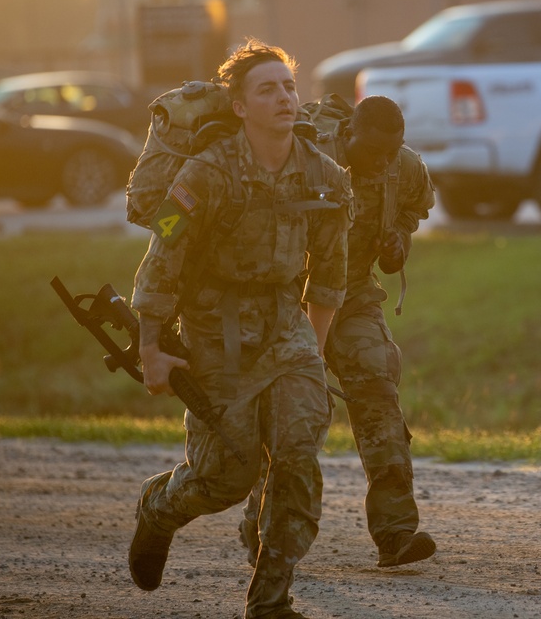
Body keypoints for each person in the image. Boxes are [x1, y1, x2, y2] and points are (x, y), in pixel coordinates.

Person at [128, 40, 353, 619]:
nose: (284, 98)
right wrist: (150, 347)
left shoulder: (325, 175)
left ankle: (270, 600)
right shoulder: (202, 174)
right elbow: (162, 257)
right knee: (226, 477)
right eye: (267, 89)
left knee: (299, 453)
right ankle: (159, 509)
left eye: (288, 86)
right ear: (239, 107)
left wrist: (313, 355)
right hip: (213, 328)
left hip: (286, 327)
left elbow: (328, 278)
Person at [239, 94, 438, 569]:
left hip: (349, 297)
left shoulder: (403, 169)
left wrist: (397, 246)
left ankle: (395, 533)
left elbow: (410, 215)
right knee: (295, 416)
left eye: (393, 151)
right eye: (374, 151)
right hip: (287, 303)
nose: (383, 162)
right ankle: (263, 531)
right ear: (349, 135)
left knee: (378, 390)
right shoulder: (308, 159)